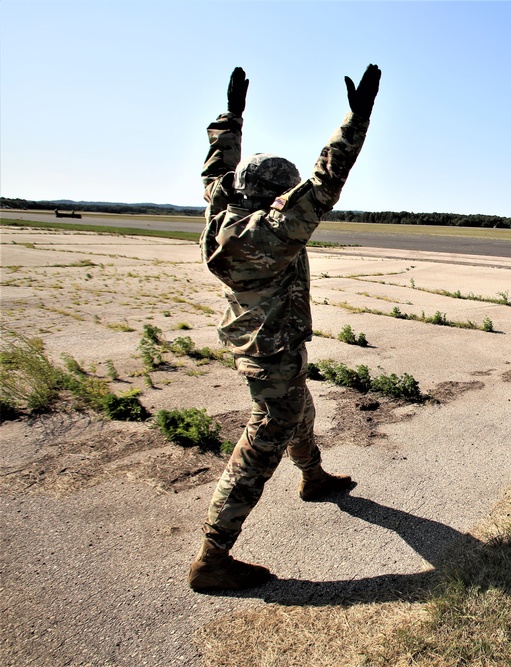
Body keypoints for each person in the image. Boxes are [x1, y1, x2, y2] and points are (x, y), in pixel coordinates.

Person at [189, 64, 381, 592]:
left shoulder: (220, 213)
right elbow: (326, 180)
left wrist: (231, 118)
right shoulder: (272, 233)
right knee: (263, 440)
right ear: (275, 195)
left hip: (257, 339)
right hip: (270, 346)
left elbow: (214, 171)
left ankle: (313, 476)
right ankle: (212, 557)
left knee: (300, 406)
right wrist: (356, 121)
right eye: (283, 193)